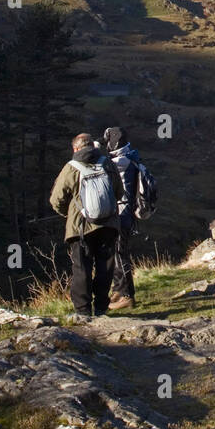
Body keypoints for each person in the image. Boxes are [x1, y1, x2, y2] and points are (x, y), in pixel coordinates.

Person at [49, 132, 125, 318]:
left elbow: (56, 199)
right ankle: (100, 308)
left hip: (80, 227)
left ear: (75, 148)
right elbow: (119, 192)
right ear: (93, 145)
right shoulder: (107, 163)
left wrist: (70, 213)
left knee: (81, 267)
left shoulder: (71, 167)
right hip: (108, 225)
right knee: (105, 267)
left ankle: (83, 311)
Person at [102, 126, 144, 310]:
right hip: (127, 213)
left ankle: (127, 295)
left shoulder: (121, 161)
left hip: (121, 214)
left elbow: (105, 166)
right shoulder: (131, 157)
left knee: (119, 254)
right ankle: (119, 290)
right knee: (117, 252)